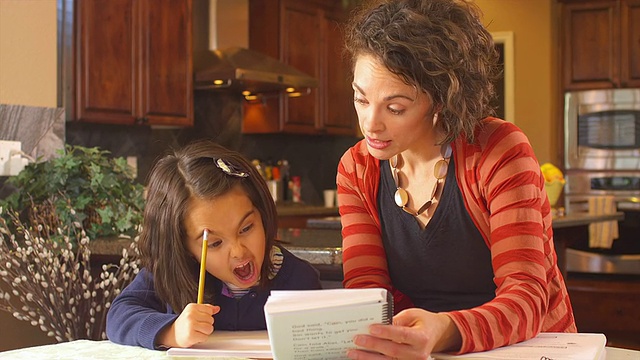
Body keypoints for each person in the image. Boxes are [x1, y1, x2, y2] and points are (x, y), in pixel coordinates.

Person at [336, 0, 577, 358]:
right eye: (361, 99)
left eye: (395, 107)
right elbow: (367, 291)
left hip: (526, 349)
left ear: (442, 102)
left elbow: (526, 298)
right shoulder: (357, 168)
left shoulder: (499, 151)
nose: (371, 124)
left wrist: (445, 330)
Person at [106, 140, 321, 350]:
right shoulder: (171, 275)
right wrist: (171, 331)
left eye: (246, 228)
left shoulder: (299, 279)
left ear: (263, 215)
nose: (238, 251)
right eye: (215, 243)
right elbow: (119, 316)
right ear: (183, 247)